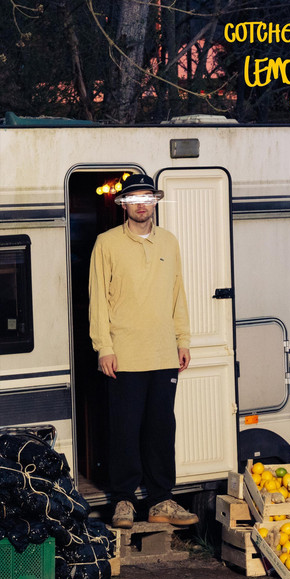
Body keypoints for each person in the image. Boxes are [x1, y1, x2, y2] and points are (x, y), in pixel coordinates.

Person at [88, 173, 199, 529]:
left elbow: (178, 294)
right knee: (124, 431)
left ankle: (161, 500)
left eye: (146, 198)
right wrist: (104, 347)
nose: (141, 204)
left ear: (155, 201)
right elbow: (97, 300)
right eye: (134, 198)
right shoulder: (106, 243)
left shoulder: (169, 242)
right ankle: (123, 501)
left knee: (161, 430)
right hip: (124, 355)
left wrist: (183, 339)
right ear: (123, 205)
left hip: (163, 353)